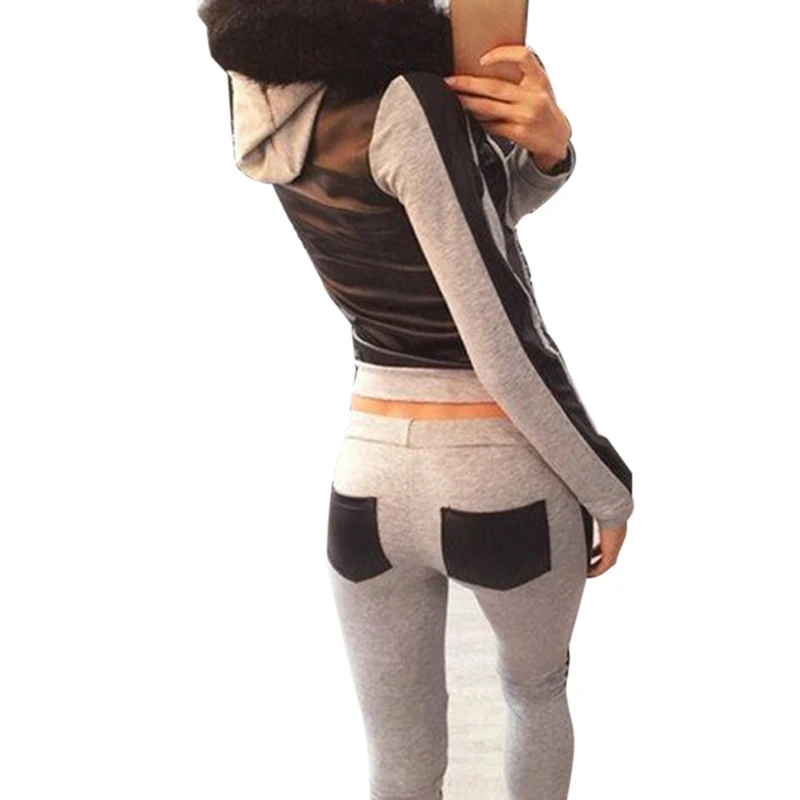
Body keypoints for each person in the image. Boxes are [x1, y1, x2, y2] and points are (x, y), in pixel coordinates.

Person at [196, 1, 634, 797]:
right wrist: (607, 486)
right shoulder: (409, 99)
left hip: (367, 480)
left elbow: (452, 224)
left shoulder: (266, 90)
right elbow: (499, 340)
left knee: (398, 763)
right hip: (495, 474)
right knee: (534, 692)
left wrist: (545, 156)